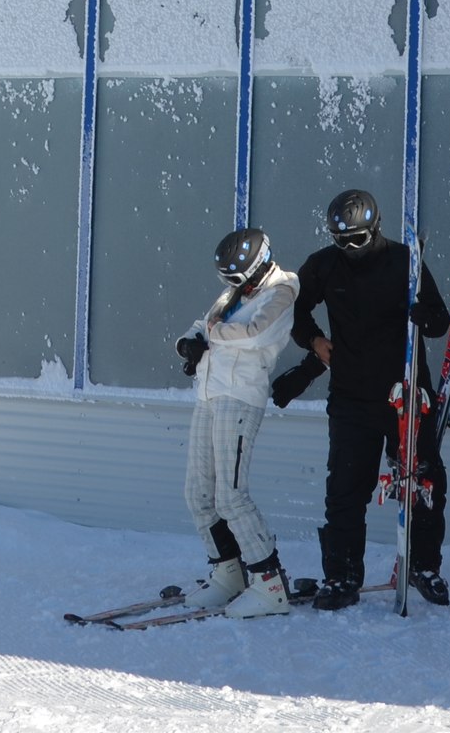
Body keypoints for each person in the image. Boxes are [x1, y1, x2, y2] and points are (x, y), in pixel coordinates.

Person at [289, 188, 450, 610]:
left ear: (375, 230)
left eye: (358, 239)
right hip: (351, 397)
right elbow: (293, 309)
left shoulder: (405, 260)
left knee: (424, 482)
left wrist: (424, 316)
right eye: (342, 240)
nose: (350, 249)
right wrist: (314, 340)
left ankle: (424, 565)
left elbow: (440, 320)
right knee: (345, 489)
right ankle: (342, 575)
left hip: (406, 395)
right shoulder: (323, 265)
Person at [173, 226, 299, 618]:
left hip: (240, 396)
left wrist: (212, 334)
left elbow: (256, 334)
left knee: (231, 496)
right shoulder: (235, 293)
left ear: (259, 265)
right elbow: (204, 323)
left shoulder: (281, 290)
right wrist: (189, 342)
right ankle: (228, 573)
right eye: (228, 279)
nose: (234, 286)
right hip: (209, 393)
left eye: (238, 278)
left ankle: (269, 583)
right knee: (198, 492)